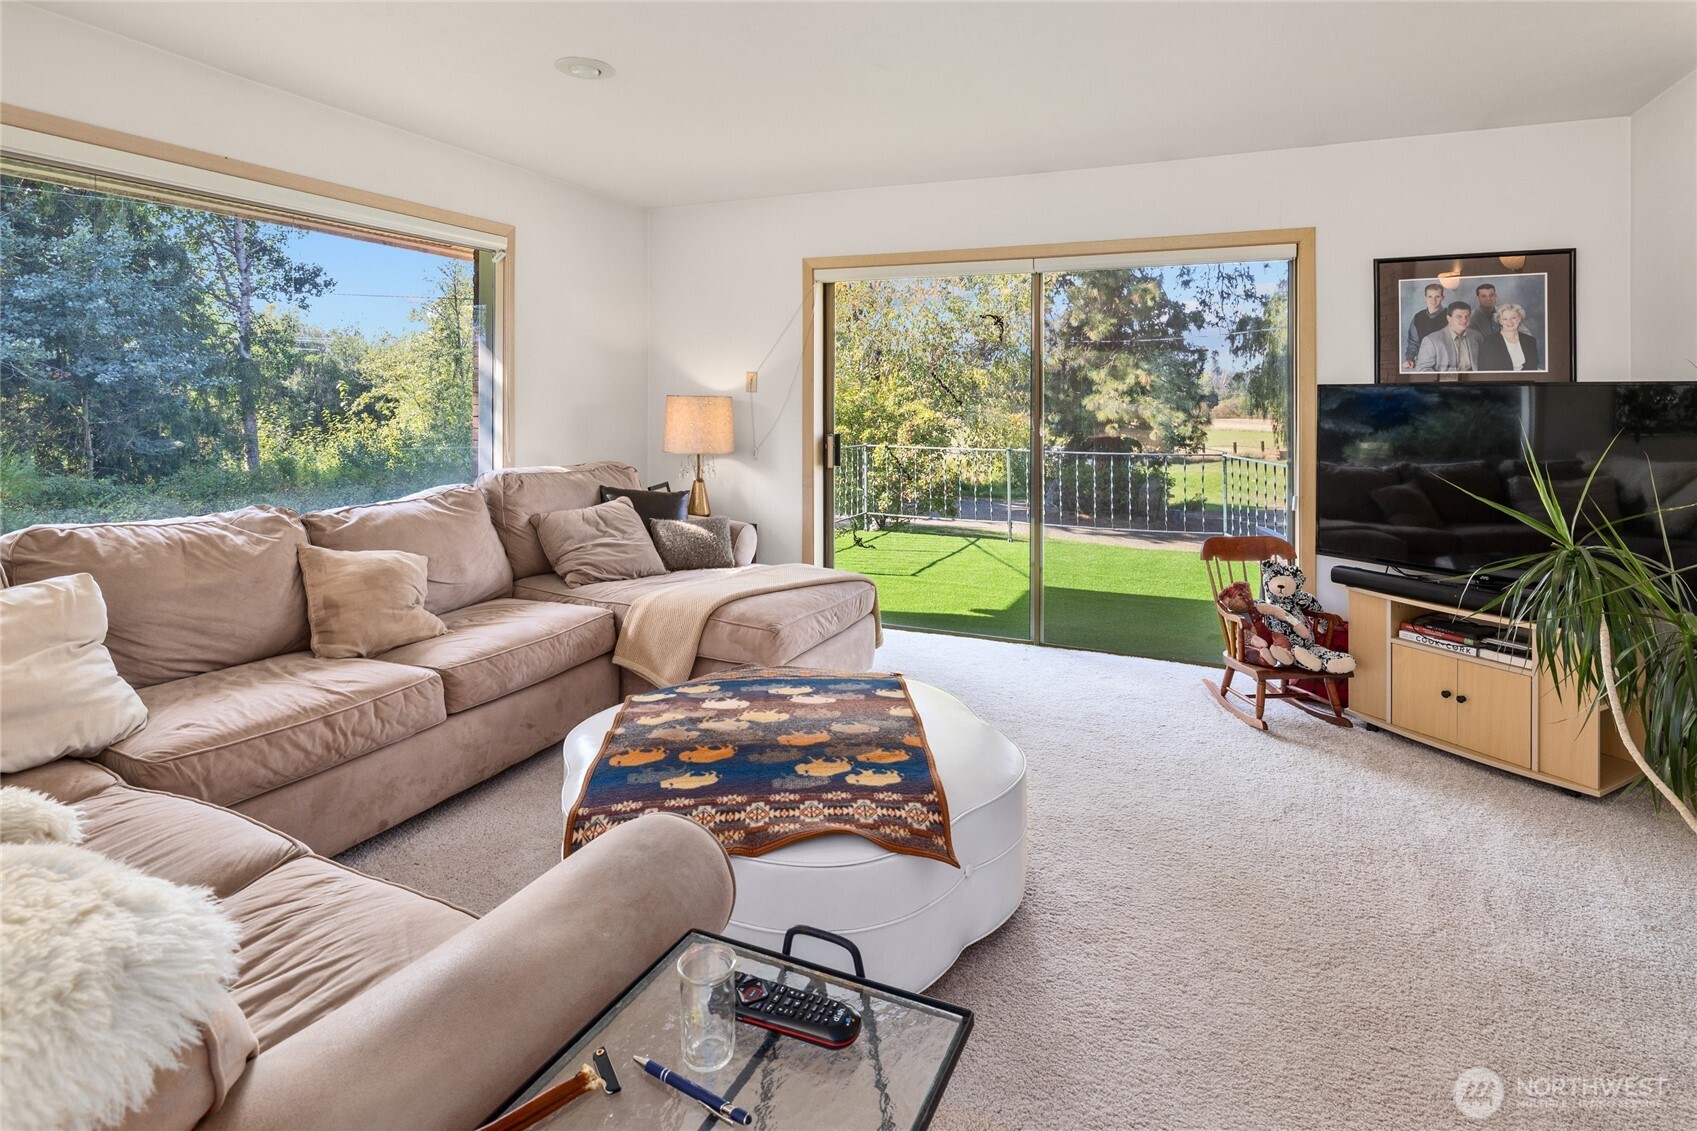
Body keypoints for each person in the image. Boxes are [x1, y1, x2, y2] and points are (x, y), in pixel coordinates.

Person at [1414, 303, 1483, 373]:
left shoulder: (1477, 336)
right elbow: (1423, 369)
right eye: (1459, 316)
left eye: (1467, 316)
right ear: (1448, 318)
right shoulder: (1431, 340)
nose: (1465, 320)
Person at [1476, 302, 1541, 372]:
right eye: (1505, 319)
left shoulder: (1530, 340)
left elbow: (1532, 367)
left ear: (1519, 319)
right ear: (1500, 321)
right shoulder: (1489, 341)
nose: (1509, 322)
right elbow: (1486, 370)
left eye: (1513, 318)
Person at [1402, 282, 1449, 369]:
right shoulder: (1418, 317)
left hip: (1444, 362)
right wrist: (1410, 359)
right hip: (1422, 361)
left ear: (1443, 298)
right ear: (1425, 297)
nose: (1433, 300)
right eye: (1430, 296)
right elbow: (1413, 342)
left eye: (1437, 296)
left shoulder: (1449, 316)